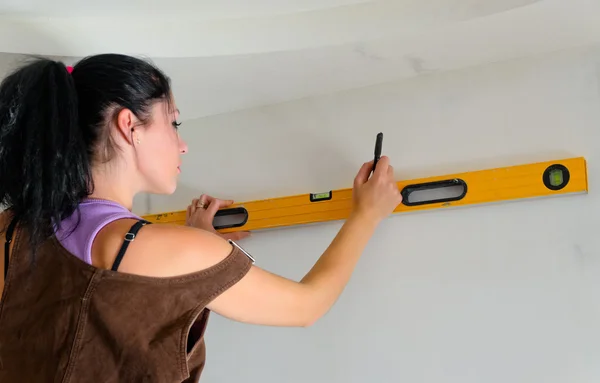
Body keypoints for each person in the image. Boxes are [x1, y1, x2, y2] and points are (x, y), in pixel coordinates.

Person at [0, 54, 402, 382]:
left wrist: (192, 241)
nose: (183, 144)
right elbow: (307, 306)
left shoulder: (9, 231)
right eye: (173, 123)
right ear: (129, 127)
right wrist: (366, 213)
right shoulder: (157, 249)